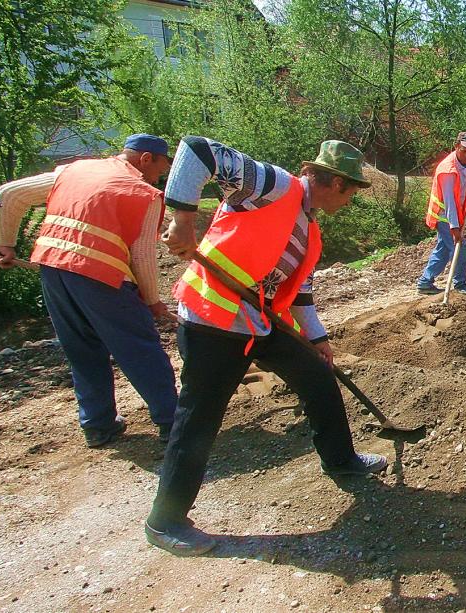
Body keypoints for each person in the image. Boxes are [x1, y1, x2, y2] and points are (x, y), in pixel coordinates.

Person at [148, 137, 388, 556]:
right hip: (213, 320)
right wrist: (183, 220)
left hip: (259, 320)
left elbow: (300, 293)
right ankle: (164, 521)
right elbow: (197, 150)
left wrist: (318, 339)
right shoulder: (273, 186)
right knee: (199, 420)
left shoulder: (310, 230)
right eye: (350, 192)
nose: (350, 202)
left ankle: (340, 459)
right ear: (333, 183)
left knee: (317, 376)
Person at [0, 134, 178, 448]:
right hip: (100, 277)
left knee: (82, 349)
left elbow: (9, 194)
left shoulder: (75, 170)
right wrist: (153, 302)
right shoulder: (142, 192)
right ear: (146, 158)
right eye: (161, 166)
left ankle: (98, 425)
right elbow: (143, 256)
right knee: (139, 347)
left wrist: (3, 244)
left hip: (54, 270)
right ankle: (173, 421)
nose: (161, 175)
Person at [417, 132, 466, 295]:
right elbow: (449, 201)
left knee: (443, 249)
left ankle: (425, 282)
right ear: (456, 146)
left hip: (455, 212)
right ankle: (460, 283)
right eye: (464, 150)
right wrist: (455, 228)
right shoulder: (448, 170)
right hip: (444, 215)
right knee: (460, 248)